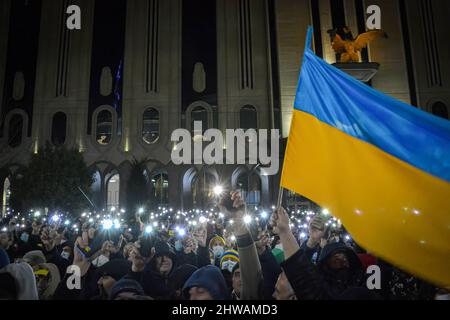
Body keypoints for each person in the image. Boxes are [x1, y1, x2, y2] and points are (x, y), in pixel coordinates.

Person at [270, 207, 380, 300]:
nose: (341, 260)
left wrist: (285, 231)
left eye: (344, 258)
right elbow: (305, 278)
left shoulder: (358, 291)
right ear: (325, 263)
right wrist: (311, 241)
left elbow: (305, 281)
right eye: (335, 258)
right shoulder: (321, 283)